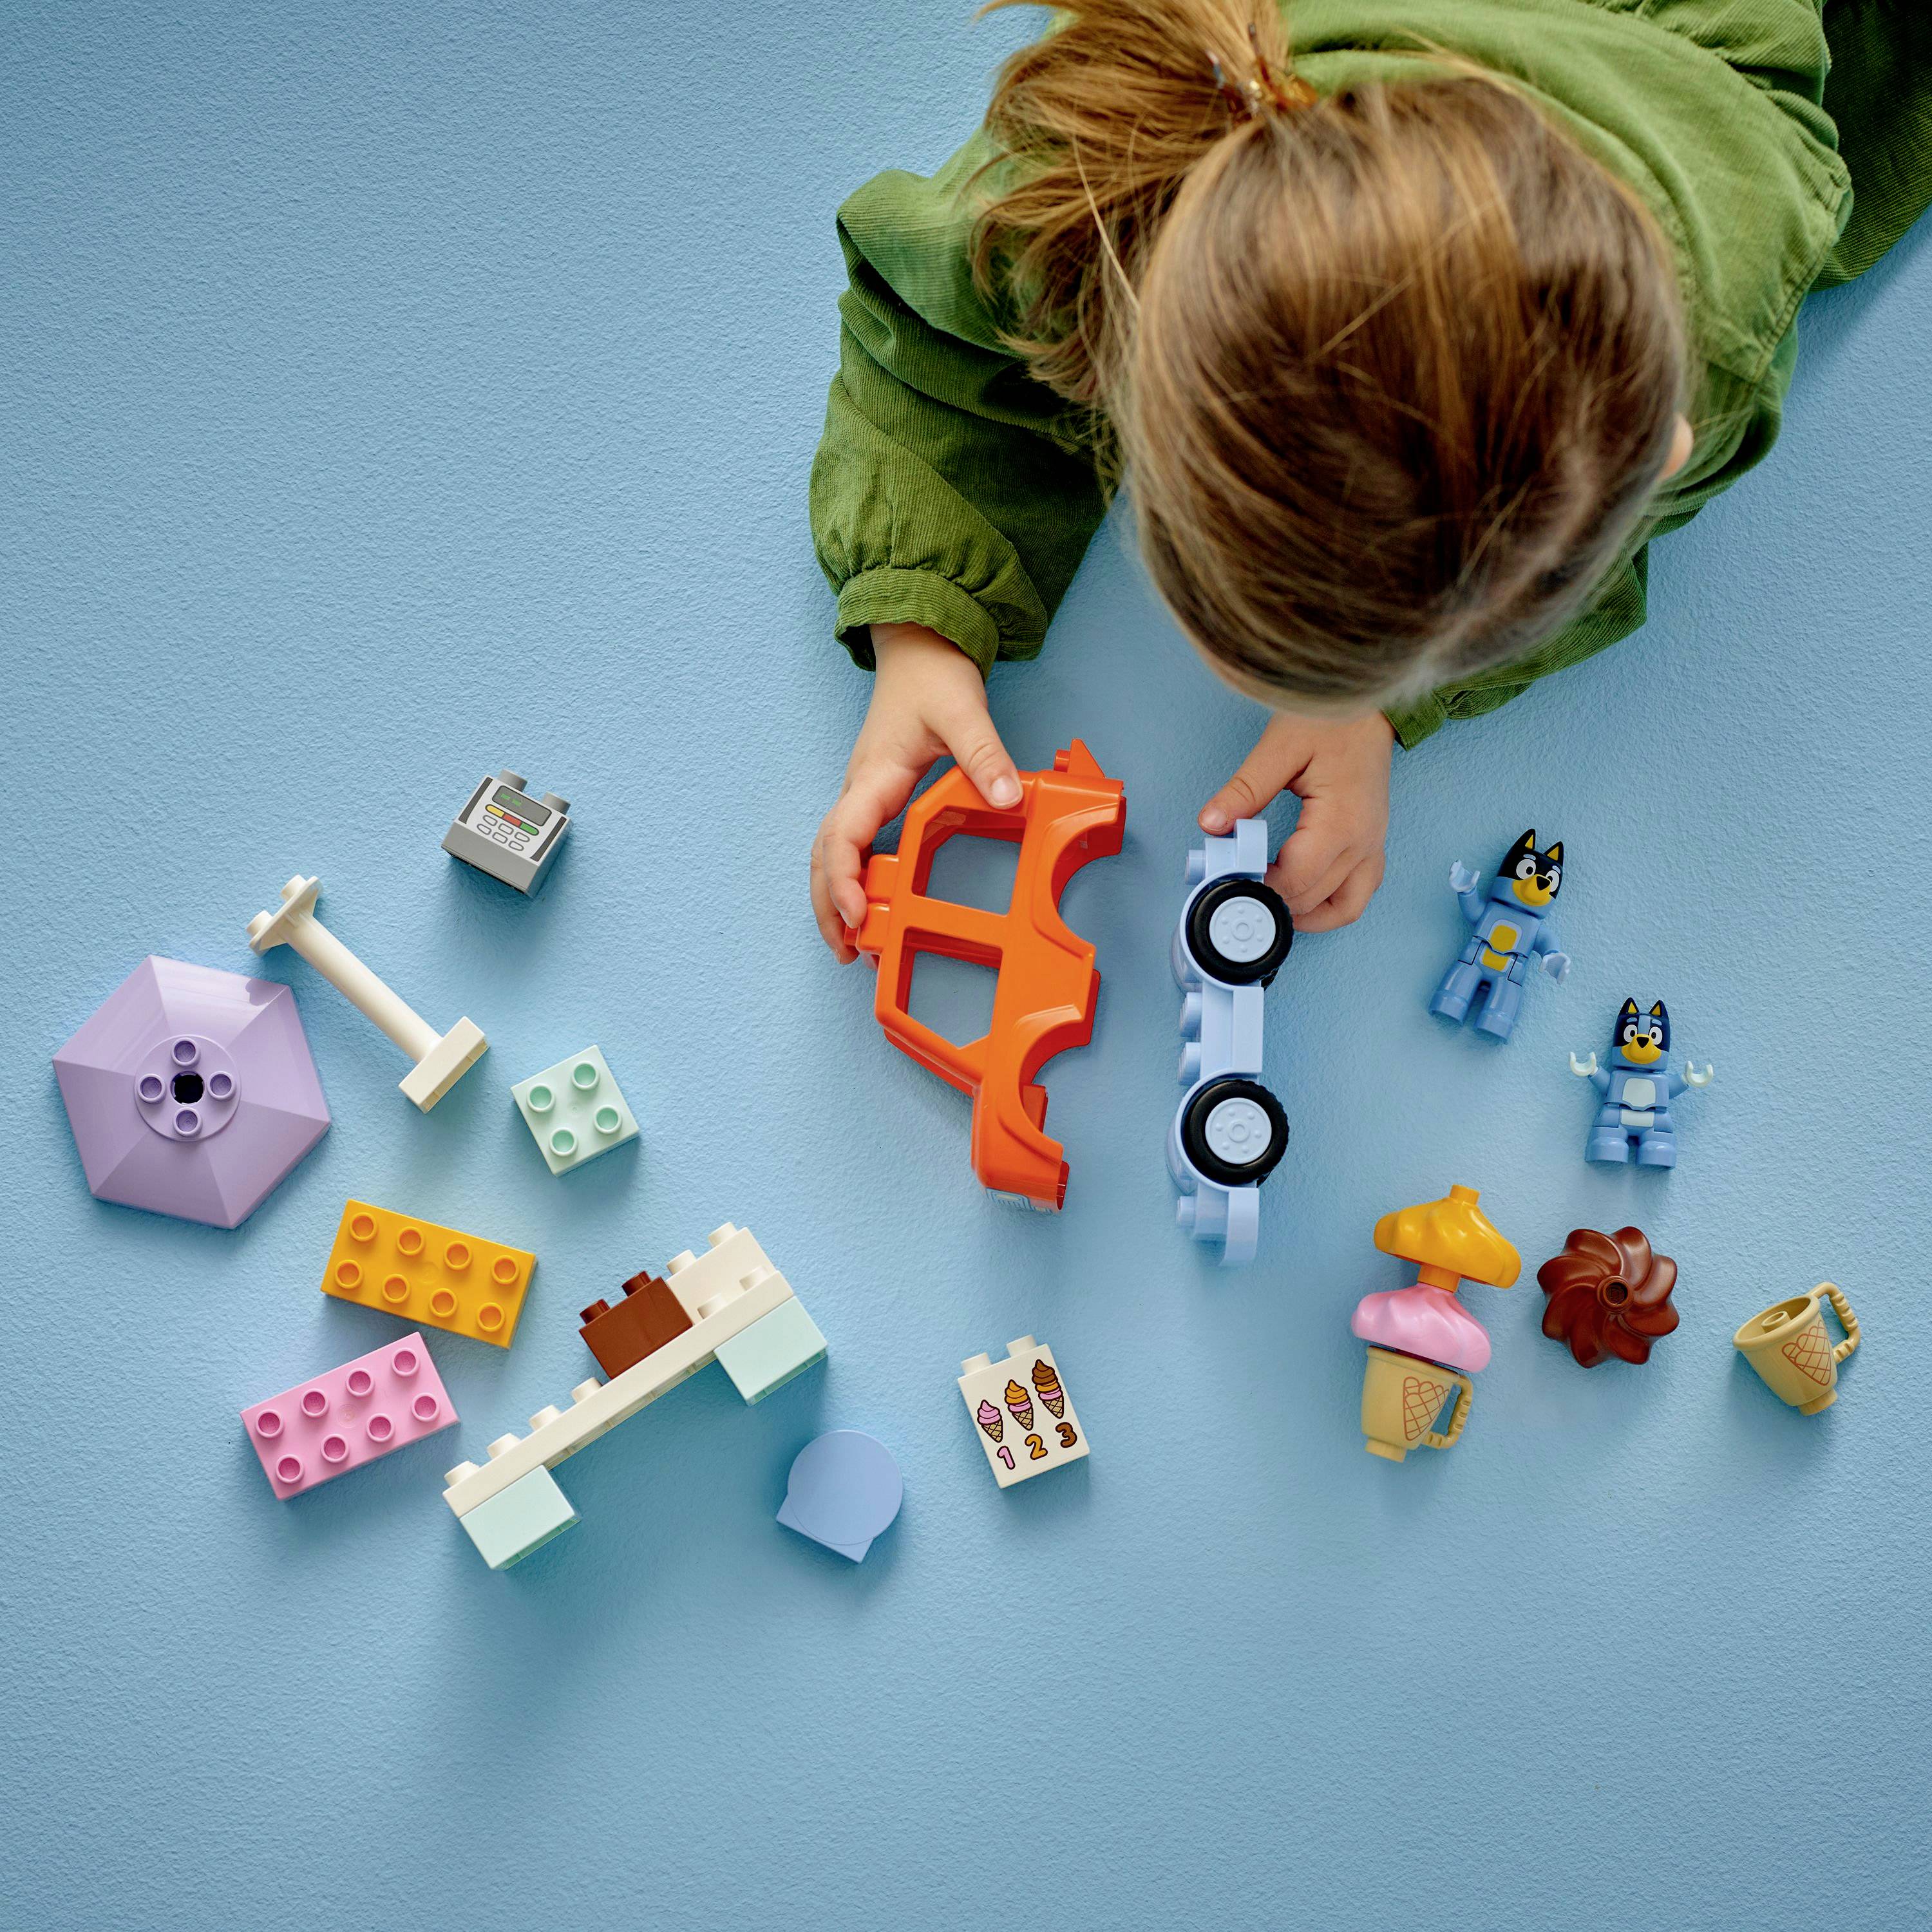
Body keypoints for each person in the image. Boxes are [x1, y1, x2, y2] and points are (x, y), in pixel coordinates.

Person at [807, 0, 1929, 956]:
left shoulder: (1717, 333)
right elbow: (936, 327)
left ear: (1665, 453)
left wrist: (1379, 709)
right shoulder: (1107, 166)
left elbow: (1564, 548)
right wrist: (923, 617)